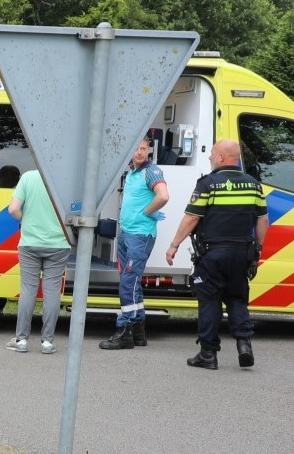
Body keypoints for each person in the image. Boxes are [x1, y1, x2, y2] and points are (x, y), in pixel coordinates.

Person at [164, 139, 268, 370]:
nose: (210, 157)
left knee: (209, 301)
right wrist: (257, 250)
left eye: (212, 154)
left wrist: (174, 245)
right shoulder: (253, 185)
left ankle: (208, 354)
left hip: (212, 254)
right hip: (242, 254)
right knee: (237, 299)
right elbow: (262, 220)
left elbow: (192, 218)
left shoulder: (208, 184)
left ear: (221, 158)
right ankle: (244, 345)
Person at [99, 134, 169, 350]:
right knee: (133, 282)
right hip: (128, 234)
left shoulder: (151, 171)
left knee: (128, 282)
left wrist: (146, 212)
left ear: (149, 150)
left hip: (140, 235)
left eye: (143, 148)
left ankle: (125, 331)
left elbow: (163, 196)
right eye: (135, 148)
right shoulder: (132, 171)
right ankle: (138, 331)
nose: (139, 152)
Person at [5, 168, 72, 354]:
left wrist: (25, 218)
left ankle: (21, 341)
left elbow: (13, 209)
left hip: (30, 243)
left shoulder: (28, 177)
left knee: (28, 290)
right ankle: (47, 343)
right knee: (52, 291)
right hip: (59, 244)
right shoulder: (66, 178)